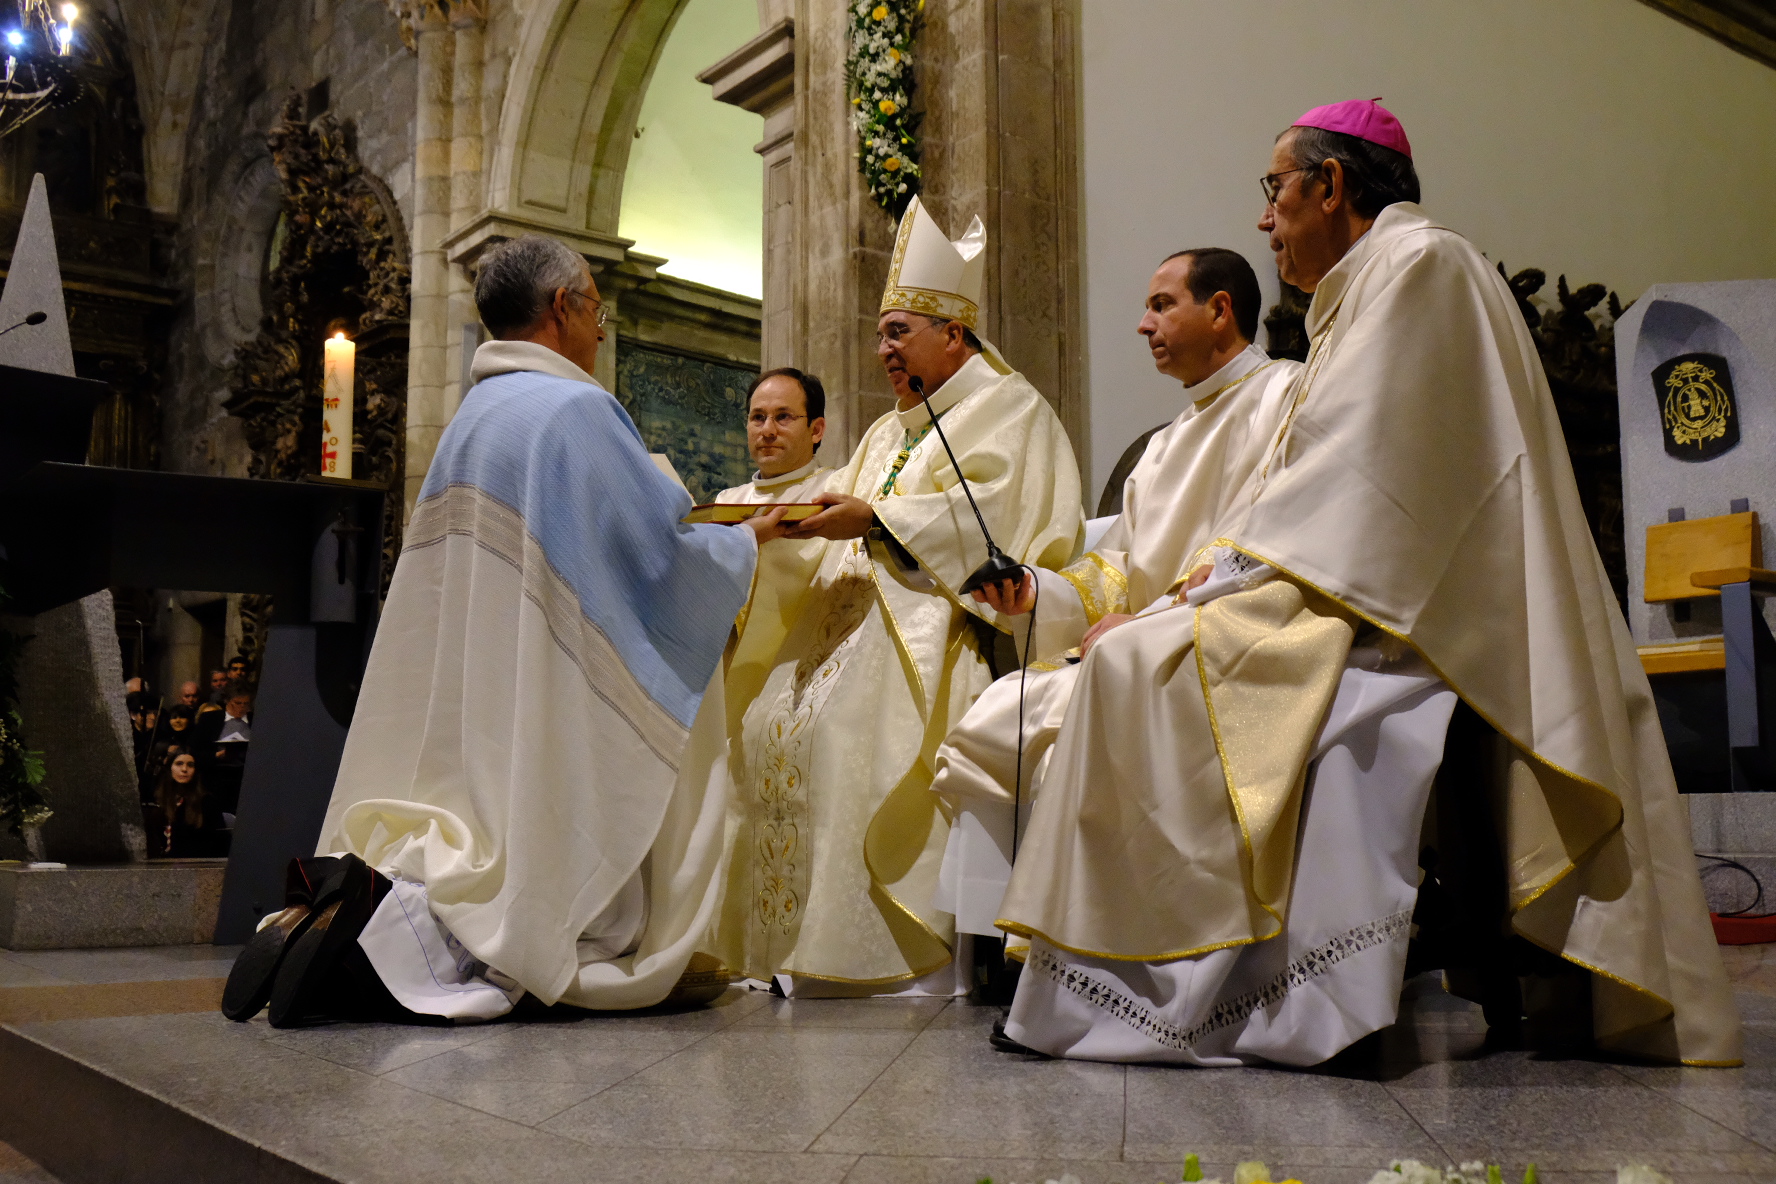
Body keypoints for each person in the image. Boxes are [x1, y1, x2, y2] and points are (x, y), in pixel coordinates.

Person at [982, 99, 1739, 1068]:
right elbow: (1339, 478)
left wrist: (1212, 581)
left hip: (1400, 608)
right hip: (1365, 585)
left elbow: (1367, 479)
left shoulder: (1419, 268)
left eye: (1275, 190)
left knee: (1139, 666)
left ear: (1331, 185)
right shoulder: (1371, 290)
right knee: (1133, 658)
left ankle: (1177, 997)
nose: (1265, 221)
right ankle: (1125, 989)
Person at [226, 233, 779, 1028]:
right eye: (596, 304)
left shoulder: (474, 417)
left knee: (482, 820)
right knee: (535, 874)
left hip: (475, 676)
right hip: (540, 678)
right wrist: (748, 540)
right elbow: (661, 561)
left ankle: (359, 917)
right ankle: (400, 941)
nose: (600, 324)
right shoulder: (579, 408)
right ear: (564, 307)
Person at [708, 196, 1084, 996]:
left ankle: (871, 952)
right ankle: (776, 949)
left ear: (952, 334)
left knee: (844, 734)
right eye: (881, 333)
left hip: (938, 635)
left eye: (896, 332)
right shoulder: (889, 429)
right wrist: (780, 527)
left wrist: (876, 515)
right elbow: (839, 506)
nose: (881, 349)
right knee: (765, 720)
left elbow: (1001, 529)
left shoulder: (1010, 412)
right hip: (848, 621)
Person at [930, 246, 1301, 942]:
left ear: (1220, 310)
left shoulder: (1285, 397)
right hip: (1151, 636)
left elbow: (1266, 540)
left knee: (1075, 697)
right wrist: (1036, 592)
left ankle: (1097, 945)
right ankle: (1019, 946)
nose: (1143, 324)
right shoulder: (1162, 447)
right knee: (1002, 706)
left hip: (1228, 636)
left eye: (1161, 305)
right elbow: (1122, 571)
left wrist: (1150, 619)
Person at [713, 368, 834, 507]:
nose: (767, 430)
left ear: (815, 431)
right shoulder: (728, 502)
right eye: (758, 417)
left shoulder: (837, 490)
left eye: (783, 416)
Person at [147, 750, 228, 858]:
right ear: (169, 768)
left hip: (195, 865)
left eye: (190, 765)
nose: (184, 769)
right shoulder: (157, 800)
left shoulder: (207, 802)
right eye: (179, 764)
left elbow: (217, 844)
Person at [192, 683, 252, 815]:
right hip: (217, 776)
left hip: (247, 778)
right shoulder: (210, 719)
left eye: (246, 704)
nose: (242, 707)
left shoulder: (255, 720)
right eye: (237, 703)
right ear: (227, 701)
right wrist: (216, 755)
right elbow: (195, 752)